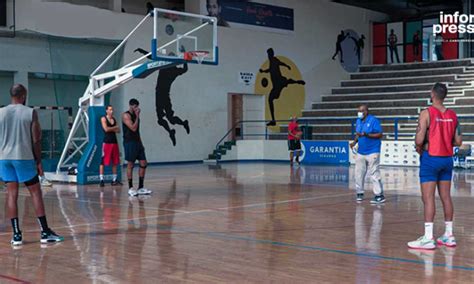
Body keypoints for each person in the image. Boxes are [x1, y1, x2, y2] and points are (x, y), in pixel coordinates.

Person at [0, 84, 63, 245]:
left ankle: (16, 235)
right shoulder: (30, 112)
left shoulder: (1, 112)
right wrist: (38, 161)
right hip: (23, 157)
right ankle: (44, 231)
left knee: (11, 195)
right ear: (23, 95)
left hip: (5, 158)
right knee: (35, 193)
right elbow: (36, 139)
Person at [408, 83, 462, 250]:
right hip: (447, 159)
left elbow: (418, 140)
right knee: (446, 197)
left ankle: (428, 237)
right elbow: (458, 142)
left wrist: (420, 144)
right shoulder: (453, 115)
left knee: (428, 198)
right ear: (444, 96)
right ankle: (449, 235)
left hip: (431, 158)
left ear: (432, 94)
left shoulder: (426, 113)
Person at [134, 48, 190, 146]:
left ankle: (176, 128)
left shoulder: (164, 65)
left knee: (162, 119)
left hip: (160, 94)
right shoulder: (175, 70)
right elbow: (185, 69)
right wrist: (185, 58)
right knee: (169, 119)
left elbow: (152, 57)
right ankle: (180, 126)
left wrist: (142, 51)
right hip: (164, 95)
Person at [259, 48, 305, 126]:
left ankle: (298, 82)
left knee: (287, 82)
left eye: (269, 54)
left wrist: (287, 66)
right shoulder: (271, 61)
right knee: (271, 98)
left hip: (279, 81)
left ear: (272, 54)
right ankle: (273, 120)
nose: (268, 56)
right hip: (276, 85)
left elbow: (280, 63)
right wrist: (263, 71)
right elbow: (270, 70)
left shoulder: (274, 60)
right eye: (268, 54)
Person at [349, 104, 385, 204]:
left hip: (373, 150)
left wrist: (367, 135)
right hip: (361, 151)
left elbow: (380, 134)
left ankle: (379, 195)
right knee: (358, 173)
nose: (359, 112)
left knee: (374, 173)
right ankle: (359, 192)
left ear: (366, 111)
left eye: (361, 111)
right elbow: (358, 134)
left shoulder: (373, 120)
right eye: (358, 110)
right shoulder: (358, 121)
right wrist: (354, 142)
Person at [122, 99, 152, 197]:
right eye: (135, 107)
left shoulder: (135, 116)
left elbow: (137, 131)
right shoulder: (126, 115)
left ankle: (140, 187)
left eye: (137, 107)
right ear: (130, 106)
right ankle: (130, 188)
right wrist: (138, 116)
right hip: (129, 142)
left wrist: (141, 143)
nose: (136, 109)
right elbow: (133, 128)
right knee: (130, 164)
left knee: (143, 163)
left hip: (137, 142)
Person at [99, 105, 121, 187]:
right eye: (110, 110)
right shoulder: (103, 118)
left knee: (115, 161)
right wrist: (114, 127)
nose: (112, 111)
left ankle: (114, 180)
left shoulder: (114, 119)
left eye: (112, 109)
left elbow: (119, 130)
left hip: (114, 142)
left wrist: (114, 128)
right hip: (107, 142)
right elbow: (106, 129)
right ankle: (101, 179)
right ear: (106, 111)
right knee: (103, 161)